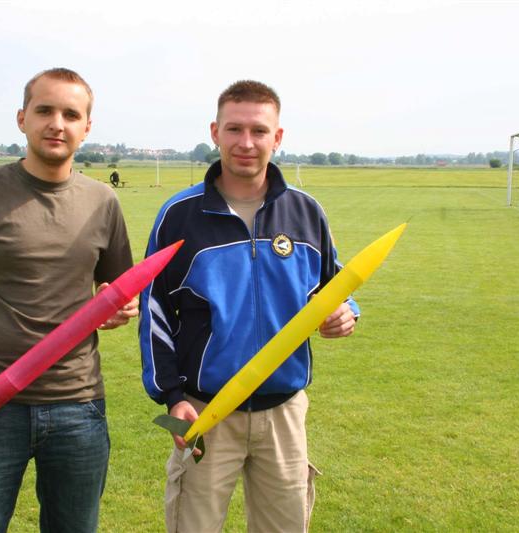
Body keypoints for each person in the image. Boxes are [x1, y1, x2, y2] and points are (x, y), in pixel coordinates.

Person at [0, 67, 137, 533]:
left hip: (78, 405)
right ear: (22, 118)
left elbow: (118, 293)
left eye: (71, 114)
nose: (57, 123)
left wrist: (121, 311)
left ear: (87, 127)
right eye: (44, 110)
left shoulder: (103, 202)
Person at [139, 80, 359, 533]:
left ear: (277, 137)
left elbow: (335, 285)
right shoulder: (179, 215)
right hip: (206, 411)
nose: (246, 142)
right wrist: (173, 397)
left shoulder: (306, 211)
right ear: (215, 132)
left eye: (259, 131)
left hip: (284, 413)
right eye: (234, 129)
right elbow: (154, 310)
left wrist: (345, 311)